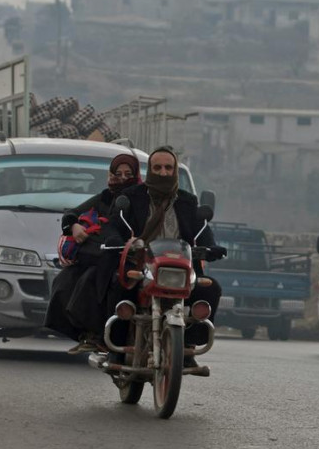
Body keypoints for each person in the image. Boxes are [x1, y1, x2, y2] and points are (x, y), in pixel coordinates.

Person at [103, 145, 223, 366]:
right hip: (142, 264)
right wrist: (115, 240)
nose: (163, 172)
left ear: (175, 170)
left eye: (168, 167)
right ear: (149, 170)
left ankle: (187, 349)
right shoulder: (131, 197)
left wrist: (211, 246)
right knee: (118, 285)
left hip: (179, 267)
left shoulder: (187, 201)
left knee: (210, 288)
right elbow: (115, 224)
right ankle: (117, 350)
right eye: (157, 167)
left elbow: (202, 228)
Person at [44, 153, 142, 353]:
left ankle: (101, 334)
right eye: (118, 173)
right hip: (102, 252)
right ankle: (86, 334)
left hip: (130, 256)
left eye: (128, 174)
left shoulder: (141, 198)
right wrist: (74, 226)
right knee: (65, 281)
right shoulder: (105, 197)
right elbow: (71, 214)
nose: (123, 178)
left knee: (92, 280)